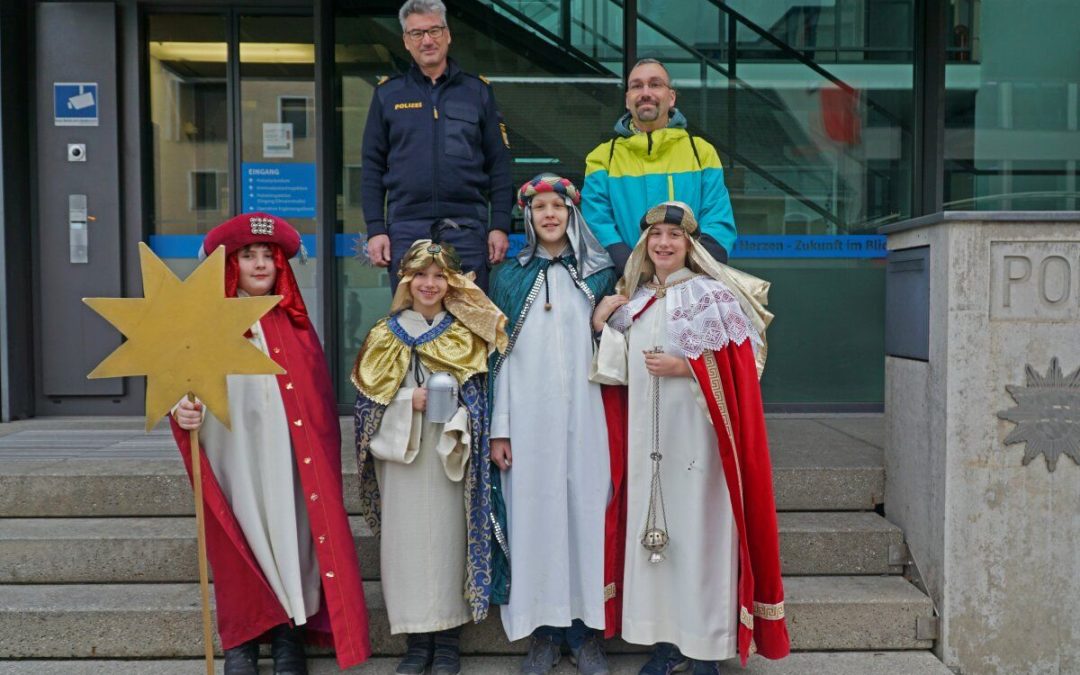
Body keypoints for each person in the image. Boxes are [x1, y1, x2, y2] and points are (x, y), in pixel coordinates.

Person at [590, 202, 789, 674]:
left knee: (701, 538)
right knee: (658, 546)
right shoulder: (633, 301)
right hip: (647, 450)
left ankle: (704, 646)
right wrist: (601, 324)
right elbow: (614, 373)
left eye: (673, 237)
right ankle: (664, 641)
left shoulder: (713, 297)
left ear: (689, 245)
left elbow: (742, 372)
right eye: (655, 235)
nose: (663, 243)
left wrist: (685, 368)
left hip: (699, 450)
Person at [172, 212, 370, 675]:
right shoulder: (203, 324)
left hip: (286, 456)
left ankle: (288, 634)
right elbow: (181, 384)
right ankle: (242, 638)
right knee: (239, 538)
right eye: (248, 256)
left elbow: (317, 403)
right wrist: (183, 410)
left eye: (268, 256)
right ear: (230, 265)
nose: (260, 265)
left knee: (289, 533)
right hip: (231, 454)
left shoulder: (294, 325)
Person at [352, 233, 508, 675]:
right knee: (406, 548)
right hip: (402, 457)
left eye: (440, 276)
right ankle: (417, 643)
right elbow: (367, 409)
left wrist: (460, 418)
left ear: (452, 283)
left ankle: (447, 642)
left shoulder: (464, 333)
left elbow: (481, 396)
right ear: (406, 279)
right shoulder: (384, 333)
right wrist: (407, 403)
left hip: (447, 455)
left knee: (446, 543)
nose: (429, 283)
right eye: (421, 274)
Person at [487, 175, 619, 675]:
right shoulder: (507, 278)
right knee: (534, 520)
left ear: (571, 214)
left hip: (588, 418)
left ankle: (585, 634)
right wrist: (500, 429)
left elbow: (616, 351)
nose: (549, 215)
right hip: (527, 420)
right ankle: (543, 633)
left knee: (586, 516)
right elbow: (496, 361)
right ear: (528, 216)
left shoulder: (600, 273)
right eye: (539, 207)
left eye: (557, 207)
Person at [361, 0, 514, 292]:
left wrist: (499, 225)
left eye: (434, 30)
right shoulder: (388, 94)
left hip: (468, 228)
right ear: (406, 41)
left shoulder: (477, 92)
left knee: (470, 323)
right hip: (406, 227)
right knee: (411, 322)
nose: (427, 40)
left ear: (448, 34)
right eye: (417, 33)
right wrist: (375, 229)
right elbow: (371, 167)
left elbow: (499, 164)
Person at [581, 58, 735, 273]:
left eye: (655, 84)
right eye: (637, 86)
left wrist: (690, 269)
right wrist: (629, 268)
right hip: (624, 286)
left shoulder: (702, 153)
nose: (645, 92)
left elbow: (718, 219)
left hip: (691, 285)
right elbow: (596, 223)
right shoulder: (602, 158)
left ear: (671, 97)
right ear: (627, 100)